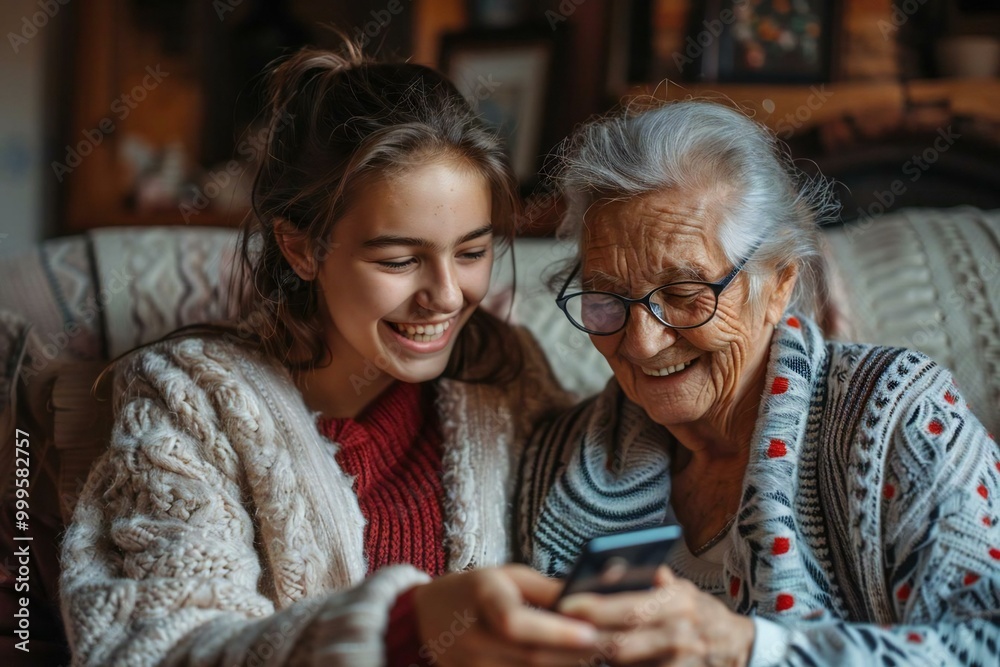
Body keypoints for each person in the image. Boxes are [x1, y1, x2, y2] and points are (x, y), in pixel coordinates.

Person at [59, 44, 603, 667]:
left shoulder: (502, 371)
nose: (447, 297)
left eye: (472, 252)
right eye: (399, 260)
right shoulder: (190, 402)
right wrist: (404, 627)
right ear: (300, 248)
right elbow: (152, 649)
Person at [518, 100, 1000, 666]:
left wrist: (751, 650)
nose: (642, 343)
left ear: (777, 284)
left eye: (683, 293)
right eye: (607, 298)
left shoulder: (897, 415)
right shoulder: (564, 460)